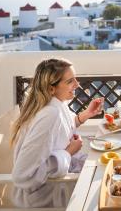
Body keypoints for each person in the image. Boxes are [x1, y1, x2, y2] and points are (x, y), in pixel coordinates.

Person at [10, 58, 104, 208]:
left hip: (56, 184)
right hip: (45, 196)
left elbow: (59, 130)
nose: (77, 84)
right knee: (107, 191)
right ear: (51, 88)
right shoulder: (50, 115)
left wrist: (83, 116)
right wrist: (68, 152)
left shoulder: (55, 105)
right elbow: (22, 176)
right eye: (70, 81)